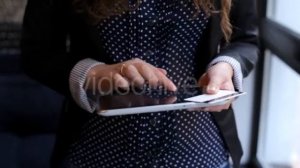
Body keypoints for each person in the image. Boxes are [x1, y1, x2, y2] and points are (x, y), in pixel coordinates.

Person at [21, 0, 259, 167]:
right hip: (94, 150)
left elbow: (246, 39)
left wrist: (227, 65)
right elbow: (36, 53)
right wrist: (92, 73)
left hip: (199, 150)